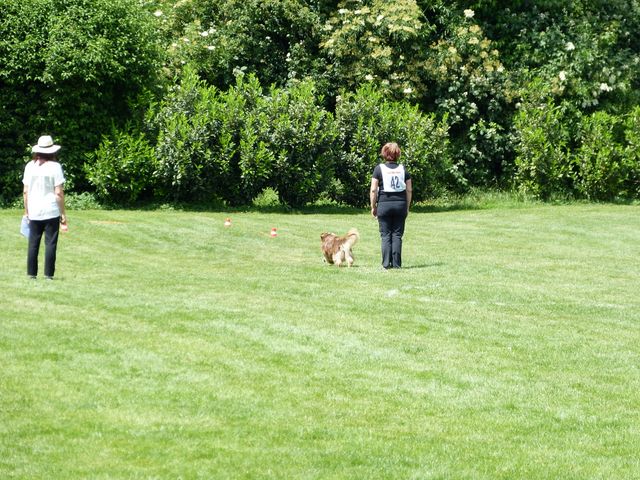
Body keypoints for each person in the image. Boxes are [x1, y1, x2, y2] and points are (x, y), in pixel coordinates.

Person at [23, 135, 67, 279]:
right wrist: (63, 214)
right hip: (51, 210)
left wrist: (26, 211)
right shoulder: (55, 167)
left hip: (34, 209)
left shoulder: (30, 166)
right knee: (50, 244)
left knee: (33, 243)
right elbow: (58, 193)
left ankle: (31, 274)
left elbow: (25, 191)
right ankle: (48, 275)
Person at [370, 142, 412, 269]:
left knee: (385, 235)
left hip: (384, 205)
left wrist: (373, 206)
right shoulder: (403, 169)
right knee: (397, 235)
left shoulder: (379, 169)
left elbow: (373, 190)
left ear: (384, 153)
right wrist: (407, 206)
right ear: (397, 154)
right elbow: (409, 190)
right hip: (400, 204)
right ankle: (396, 264)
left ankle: (385, 263)